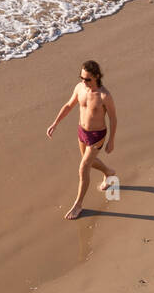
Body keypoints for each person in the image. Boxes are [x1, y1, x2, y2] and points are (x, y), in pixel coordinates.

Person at [46, 60, 117, 219]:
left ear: (97, 76)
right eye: (82, 78)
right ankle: (109, 172)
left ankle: (78, 205)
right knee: (88, 162)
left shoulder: (104, 96)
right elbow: (69, 106)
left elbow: (113, 118)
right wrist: (55, 123)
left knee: (83, 168)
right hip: (82, 132)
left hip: (97, 136)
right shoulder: (79, 88)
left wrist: (111, 140)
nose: (84, 82)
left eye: (88, 79)